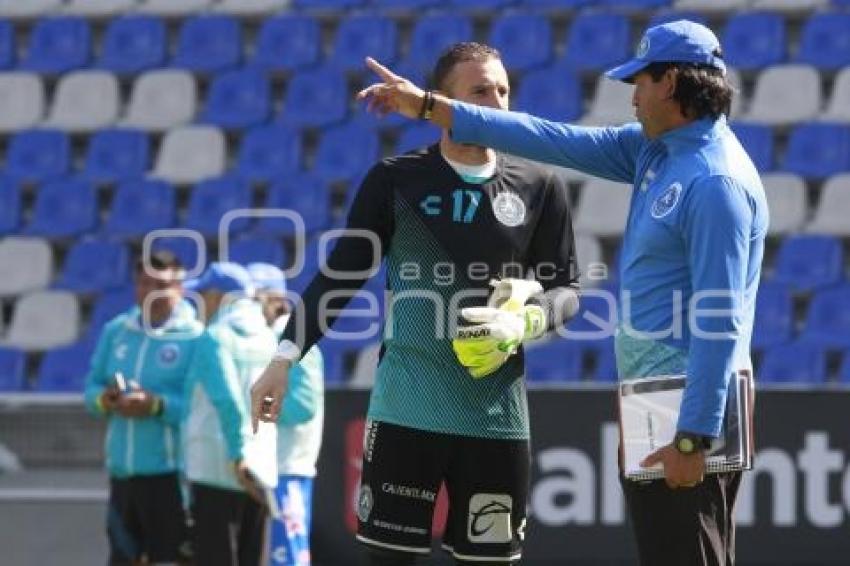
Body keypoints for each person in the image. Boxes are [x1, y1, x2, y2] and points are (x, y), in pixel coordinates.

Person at [354, 19, 768, 566]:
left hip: (686, 403)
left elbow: (722, 318)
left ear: (669, 83)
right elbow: (554, 139)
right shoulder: (658, 150)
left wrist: (693, 435)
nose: (633, 97)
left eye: (639, 83)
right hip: (656, 398)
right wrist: (432, 107)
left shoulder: (715, 182)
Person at [251, 42, 580, 566]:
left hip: (496, 417)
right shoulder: (397, 179)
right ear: (444, 105)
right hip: (408, 408)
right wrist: (282, 359)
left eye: (503, 90)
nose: (496, 101)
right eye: (479, 91)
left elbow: (567, 290)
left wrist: (529, 319)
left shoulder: (541, 186)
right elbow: (340, 277)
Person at [84, 250, 202, 565]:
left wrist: (156, 405)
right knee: (122, 558)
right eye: (144, 283)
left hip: (171, 478)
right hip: (123, 476)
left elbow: (200, 409)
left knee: (170, 560)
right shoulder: (116, 331)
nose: (152, 292)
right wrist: (105, 400)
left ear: (179, 288)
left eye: (161, 284)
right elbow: (91, 389)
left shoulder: (195, 339)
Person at [182, 262, 278, 566]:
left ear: (217, 296)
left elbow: (227, 401)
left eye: (203, 295)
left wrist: (238, 456)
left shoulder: (214, 338)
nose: (200, 304)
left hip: (219, 468)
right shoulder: (269, 338)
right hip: (259, 469)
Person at [247, 262, 324, 566]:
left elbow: (305, 405)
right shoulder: (275, 337)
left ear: (277, 299)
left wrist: (252, 408)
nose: (249, 308)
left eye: (255, 300)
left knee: (286, 558)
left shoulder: (288, 338)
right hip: (276, 467)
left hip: (287, 467)